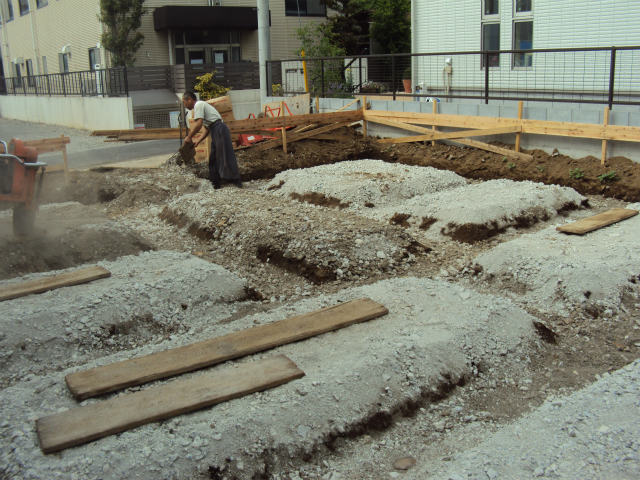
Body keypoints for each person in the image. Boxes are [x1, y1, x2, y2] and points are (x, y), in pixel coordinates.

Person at [181, 91, 242, 189]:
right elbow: (207, 129)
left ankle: (236, 181)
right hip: (215, 130)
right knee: (213, 158)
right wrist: (198, 141)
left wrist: (189, 136)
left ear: (190, 99)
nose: (185, 105)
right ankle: (215, 183)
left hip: (219, 129)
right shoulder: (200, 107)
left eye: (184, 102)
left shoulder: (199, 104)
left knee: (226, 155)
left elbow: (199, 124)